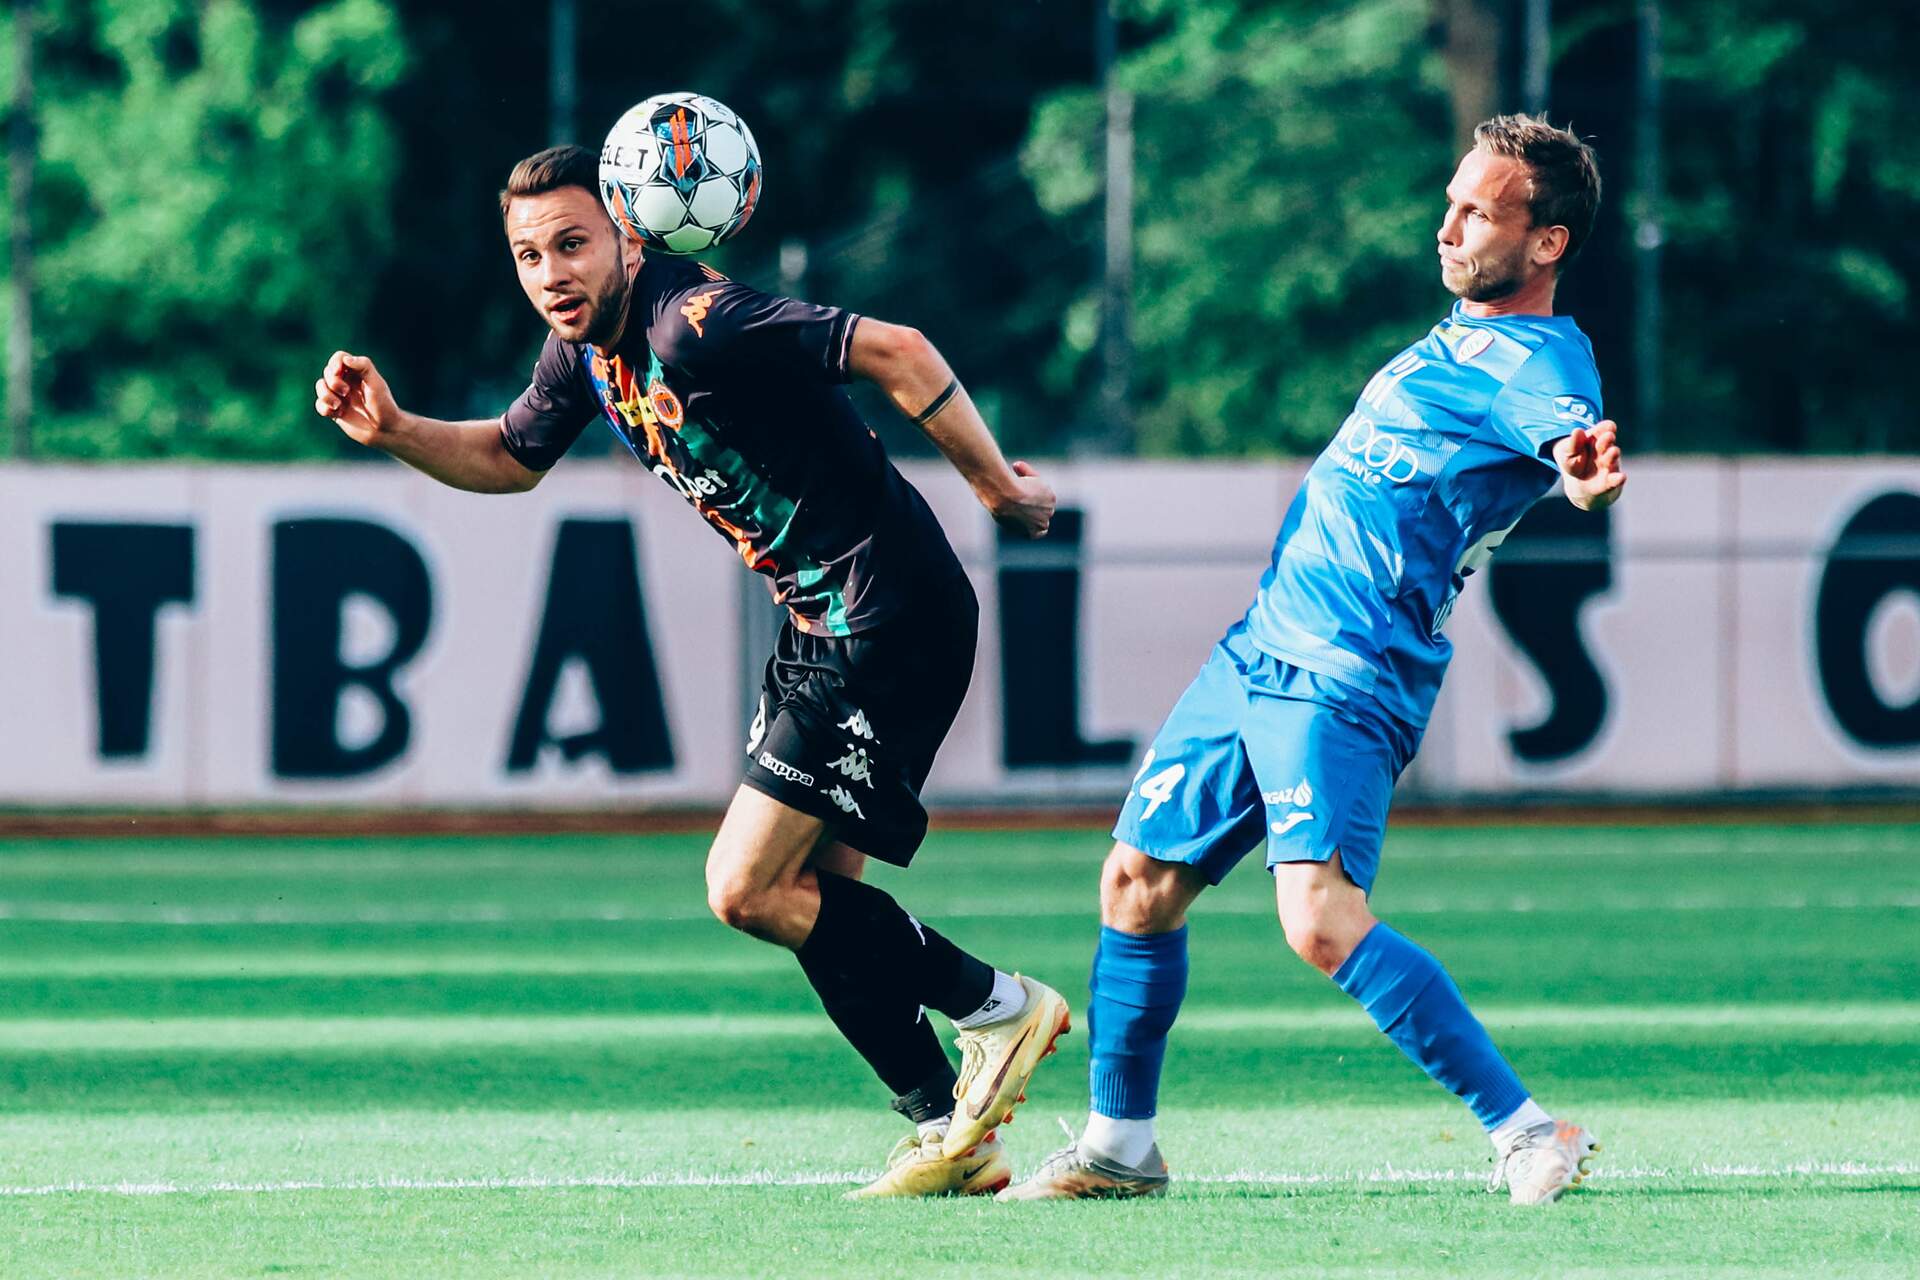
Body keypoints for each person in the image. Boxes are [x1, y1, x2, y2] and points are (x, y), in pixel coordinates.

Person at [314, 143, 1070, 1198]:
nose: (552, 273)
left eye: (573, 243)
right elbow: (508, 458)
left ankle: (998, 1007)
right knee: (813, 899)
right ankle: (950, 1128)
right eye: (529, 255)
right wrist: (394, 428)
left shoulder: (692, 323)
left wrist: (996, 488)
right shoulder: (581, 350)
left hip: (886, 614)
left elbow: (896, 348)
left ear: (629, 237)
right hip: (821, 622)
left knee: (745, 887)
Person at [1000, 115, 1623, 1205]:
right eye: (1451, 202)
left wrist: (1582, 474)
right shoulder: (1454, 339)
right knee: (1137, 882)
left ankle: (1531, 1129)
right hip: (1260, 645)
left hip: (1348, 664)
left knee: (1319, 917)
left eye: (1479, 213)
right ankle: (1120, 1145)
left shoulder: (1541, 362)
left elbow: (1569, 447)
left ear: (1547, 242)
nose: (1449, 226)